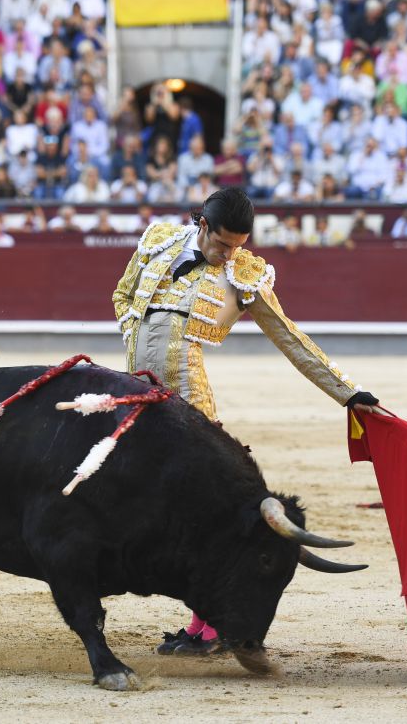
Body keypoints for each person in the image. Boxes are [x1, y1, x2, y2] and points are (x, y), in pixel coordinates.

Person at [111, 188, 381, 657]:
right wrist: (139, 332)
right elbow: (122, 295)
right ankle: (195, 616)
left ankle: (210, 625)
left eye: (237, 245)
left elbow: (290, 337)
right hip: (135, 392)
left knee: (201, 509)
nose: (228, 253)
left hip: (189, 400)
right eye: (221, 244)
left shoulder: (245, 273)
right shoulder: (158, 240)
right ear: (203, 226)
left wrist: (348, 392)